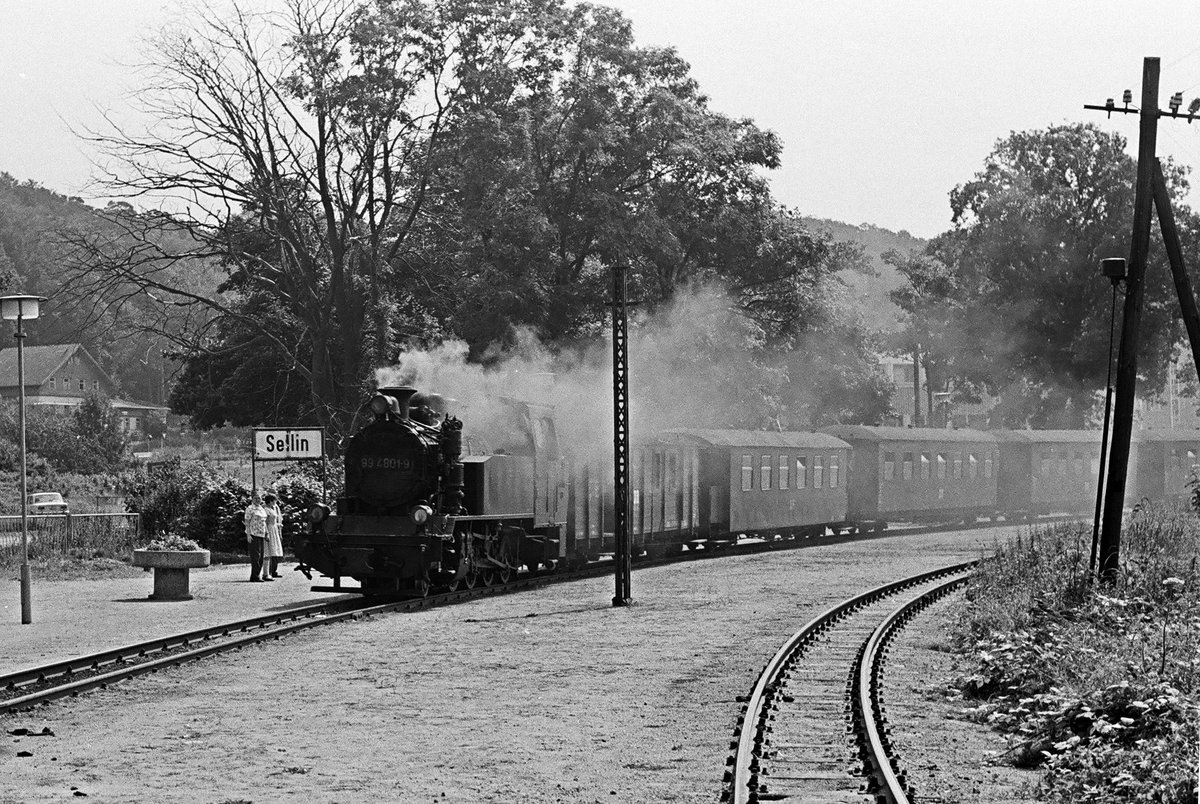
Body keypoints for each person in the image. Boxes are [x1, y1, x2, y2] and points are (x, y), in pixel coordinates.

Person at [244, 493, 268, 582]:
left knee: (261, 556)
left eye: (259, 498)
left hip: (261, 534)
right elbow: (247, 522)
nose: (258, 500)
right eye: (256, 498)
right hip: (253, 534)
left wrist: (267, 533)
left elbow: (264, 522)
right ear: (252, 499)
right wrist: (248, 535)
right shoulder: (250, 509)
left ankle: (257, 574)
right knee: (255, 556)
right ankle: (254, 576)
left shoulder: (262, 509)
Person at [263, 493, 284, 579]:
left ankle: (271, 571)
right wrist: (266, 532)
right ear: (270, 501)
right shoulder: (266, 510)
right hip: (270, 529)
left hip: (274, 529)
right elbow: (265, 522)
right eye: (274, 500)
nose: (275, 501)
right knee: (268, 550)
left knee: (274, 550)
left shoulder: (273, 509)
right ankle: (267, 573)